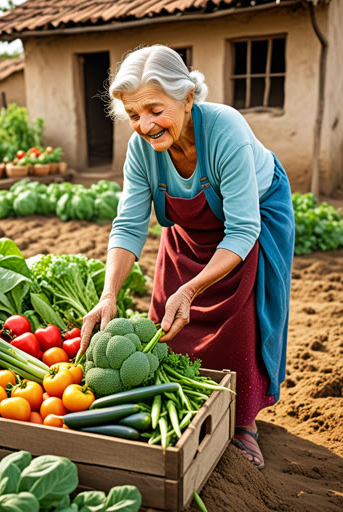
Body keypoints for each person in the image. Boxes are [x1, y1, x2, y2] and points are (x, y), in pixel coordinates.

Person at [80, 45, 295, 470]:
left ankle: (245, 424)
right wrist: (109, 295)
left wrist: (194, 287)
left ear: (188, 97)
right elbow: (128, 225)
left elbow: (242, 229)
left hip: (252, 219)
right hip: (189, 230)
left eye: (156, 110)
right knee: (169, 320)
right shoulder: (142, 149)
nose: (145, 125)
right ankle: (196, 401)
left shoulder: (224, 129)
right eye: (134, 115)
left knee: (240, 319)